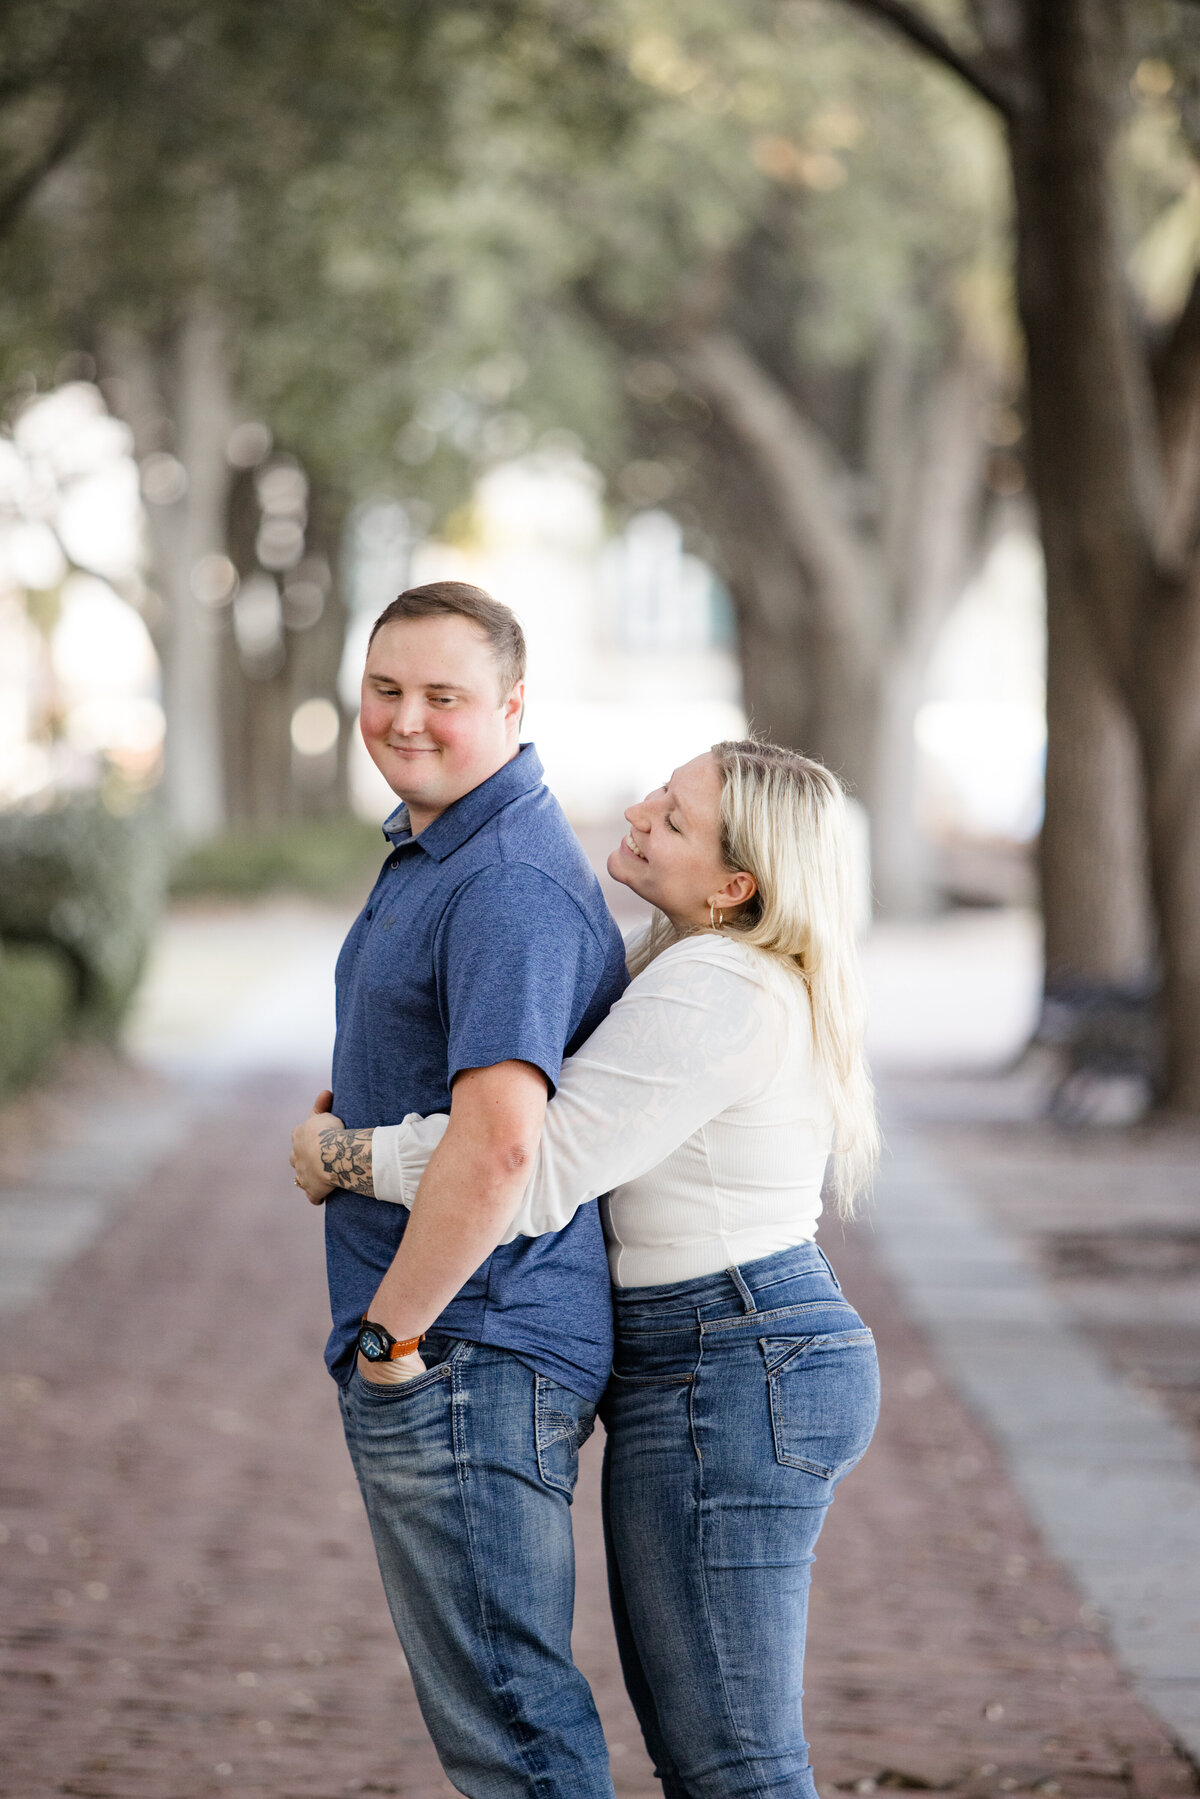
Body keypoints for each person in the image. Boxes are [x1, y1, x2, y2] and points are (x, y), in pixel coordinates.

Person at [293, 738, 882, 1799]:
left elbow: (533, 1155)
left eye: (679, 815)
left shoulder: (717, 982)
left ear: (734, 884)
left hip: (732, 1354)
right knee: (708, 1757)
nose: (645, 808)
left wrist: (346, 1156)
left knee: (736, 1763)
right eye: (663, 785)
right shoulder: (692, 962)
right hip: (720, 1351)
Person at [302, 579, 629, 1799]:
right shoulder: (440, 846)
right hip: (459, 1345)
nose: (407, 718)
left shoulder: (503, 878)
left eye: (444, 696)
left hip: (469, 1347)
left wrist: (394, 1335)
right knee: (502, 1726)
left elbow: (501, 1143)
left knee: (515, 1738)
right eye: (387, 689)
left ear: (511, 703)